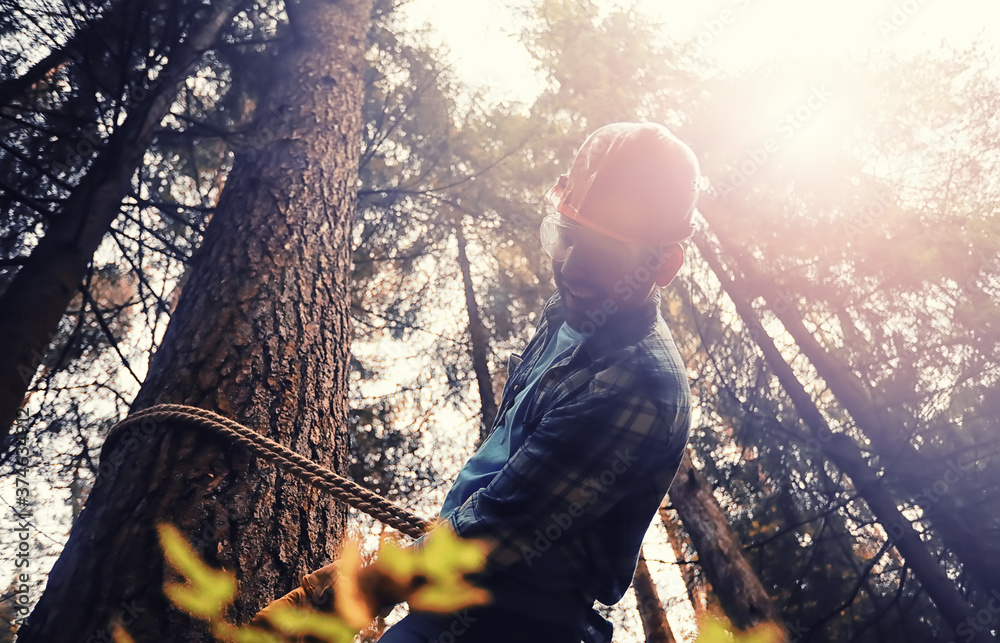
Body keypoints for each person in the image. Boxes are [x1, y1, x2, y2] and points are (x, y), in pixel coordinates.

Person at [252, 121, 699, 643]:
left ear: (663, 263)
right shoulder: (571, 313)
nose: (572, 267)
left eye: (603, 252)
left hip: (519, 619)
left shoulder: (637, 385)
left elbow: (497, 528)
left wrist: (355, 591)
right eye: (567, 237)